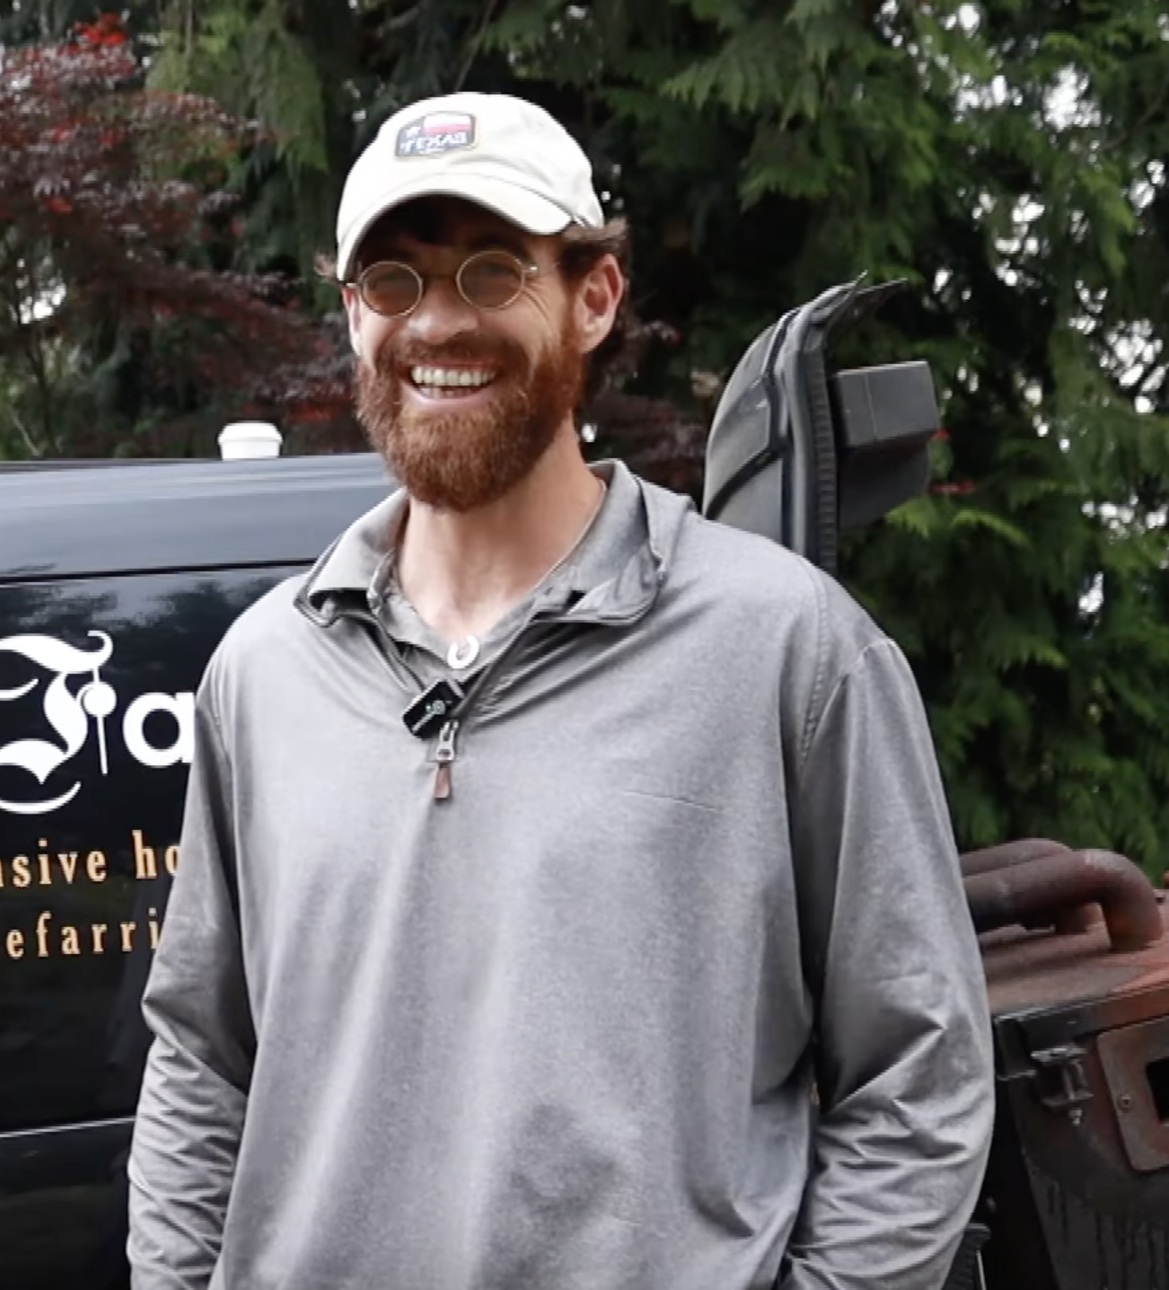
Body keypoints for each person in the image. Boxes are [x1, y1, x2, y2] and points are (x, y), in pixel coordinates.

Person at [126, 91, 994, 1290]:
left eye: (492, 272)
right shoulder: (264, 673)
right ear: (350, 316)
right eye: (392, 279)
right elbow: (201, 1059)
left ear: (593, 297)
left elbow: (921, 1067)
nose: (437, 322)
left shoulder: (785, 652)